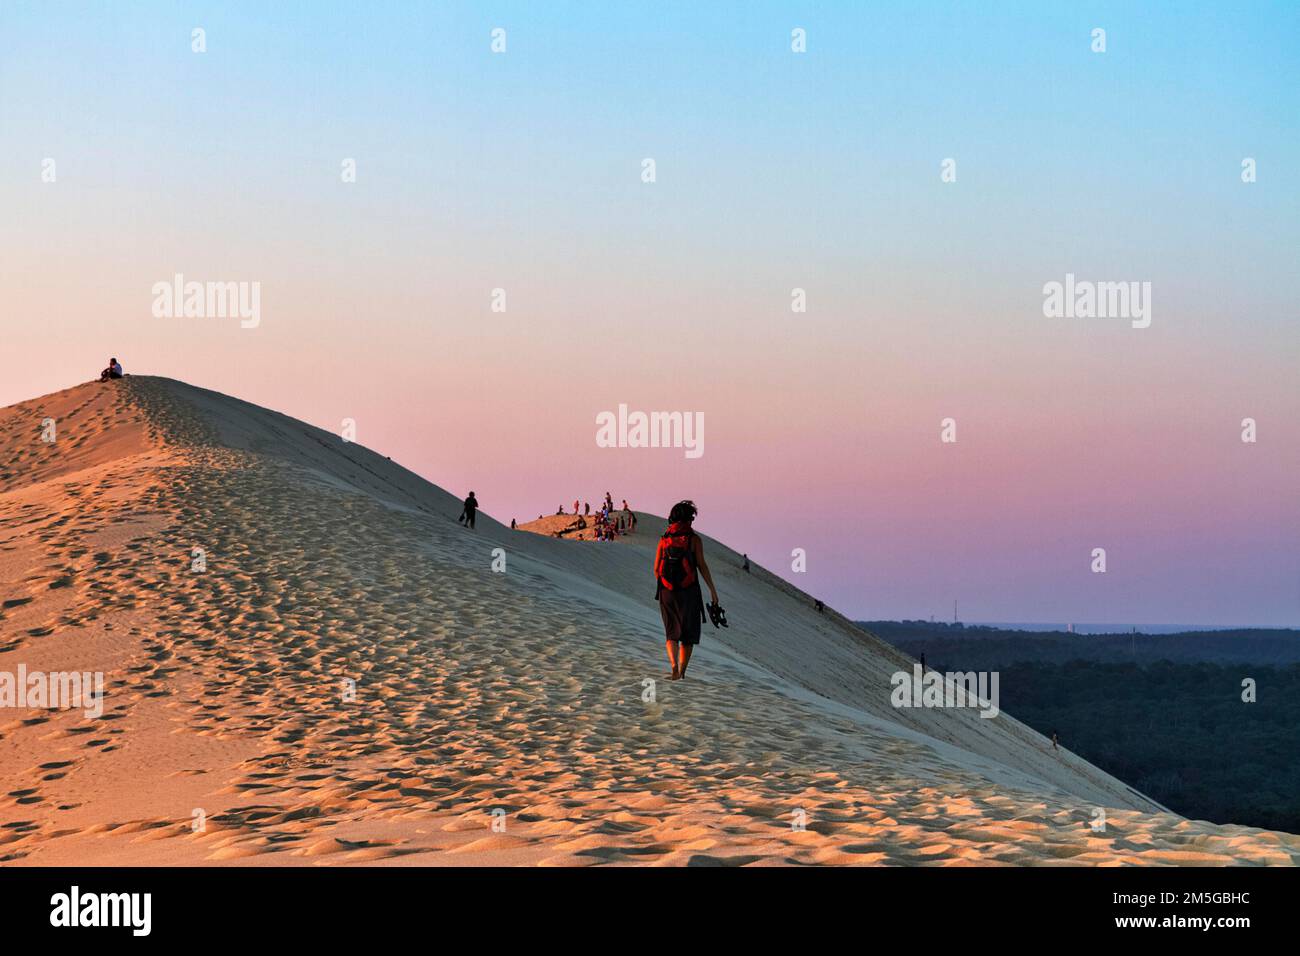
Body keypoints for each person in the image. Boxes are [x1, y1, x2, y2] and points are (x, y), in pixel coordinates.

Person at [654, 500, 718, 681]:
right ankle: (682, 672)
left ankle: (673, 666)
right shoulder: (694, 540)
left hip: (667, 592)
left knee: (671, 632)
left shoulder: (664, 539)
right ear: (689, 519)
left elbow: (656, 568)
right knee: (687, 635)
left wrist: (666, 585)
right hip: (689, 592)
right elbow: (702, 566)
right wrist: (712, 590)